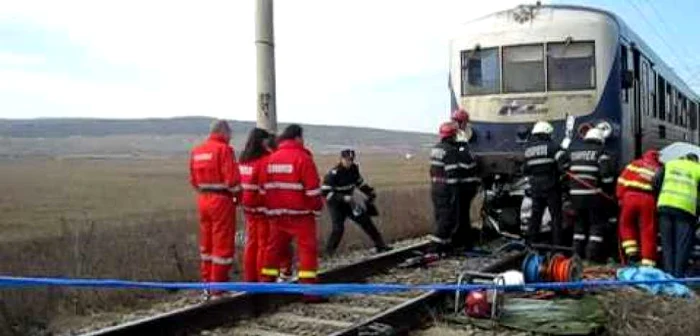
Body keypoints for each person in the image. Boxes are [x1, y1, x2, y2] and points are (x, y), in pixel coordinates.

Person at [259, 124, 325, 302]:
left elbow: (263, 189)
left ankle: (266, 283)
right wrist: (317, 208)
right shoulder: (303, 158)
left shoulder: (270, 159)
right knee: (307, 251)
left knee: (273, 249)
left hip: (277, 215)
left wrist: (270, 209)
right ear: (297, 138)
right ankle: (309, 291)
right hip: (301, 215)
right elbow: (313, 191)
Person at [189, 119, 241, 298]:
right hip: (221, 200)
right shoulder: (224, 150)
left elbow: (194, 180)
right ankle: (218, 288)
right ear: (224, 133)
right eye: (230, 134)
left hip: (203, 198)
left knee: (207, 244)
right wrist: (237, 197)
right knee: (222, 245)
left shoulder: (197, 151)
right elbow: (233, 180)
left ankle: (207, 284)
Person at [239, 128, 292, 282]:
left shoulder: (243, 160)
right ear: (261, 141)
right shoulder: (264, 161)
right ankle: (264, 278)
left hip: (248, 208)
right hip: (262, 208)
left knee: (251, 243)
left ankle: (250, 278)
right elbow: (266, 186)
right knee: (264, 244)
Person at [321, 149, 392, 255]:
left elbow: (359, 183)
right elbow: (325, 192)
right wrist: (342, 197)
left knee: (366, 221)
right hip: (336, 204)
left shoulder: (354, 169)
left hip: (349, 203)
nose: (349, 162)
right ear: (341, 159)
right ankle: (328, 253)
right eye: (346, 160)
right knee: (338, 228)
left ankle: (381, 245)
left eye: (351, 160)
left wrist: (369, 192)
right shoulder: (333, 174)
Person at [563, 127, 615, 263]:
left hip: (574, 196)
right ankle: (591, 257)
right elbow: (606, 177)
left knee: (579, 226)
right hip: (593, 196)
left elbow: (566, 173)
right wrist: (607, 191)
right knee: (596, 226)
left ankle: (576, 256)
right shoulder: (601, 153)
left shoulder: (574, 153)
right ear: (600, 140)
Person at [429, 121, 480, 254]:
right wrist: (454, 192)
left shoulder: (436, 148)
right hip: (447, 188)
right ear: (452, 136)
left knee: (440, 216)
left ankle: (446, 245)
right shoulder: (451, 151)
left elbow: (432, 169)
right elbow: (453, 173)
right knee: (448, 218)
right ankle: (435, 247)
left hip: (435, 186)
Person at [653, 153, 700, 277]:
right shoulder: (698, 169)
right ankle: (678, 276)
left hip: (665, 206)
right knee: (682, 245)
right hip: (685, 209)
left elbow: (656, 181)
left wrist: (660, 197)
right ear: (696, 161)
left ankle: (668, 275)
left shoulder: (669, 164)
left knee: (667, 243)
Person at [522, 121, 566, 246]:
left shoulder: (528, 150)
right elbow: (563, 165)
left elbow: (525, 170)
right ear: (547, 133)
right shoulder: (553, 147)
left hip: (536, 187)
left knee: (536, 216)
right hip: (551, 186)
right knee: (556, 217)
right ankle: (557, 245)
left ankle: (531, 243)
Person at [616, 149, 662, 267]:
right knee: (648, 229)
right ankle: (648, 261)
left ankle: (631, 253)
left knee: (626, 224)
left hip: (630, 196)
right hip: (648, 199)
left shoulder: (635, 164)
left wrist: (620, 197)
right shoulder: (659, 168)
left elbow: (621, 180)